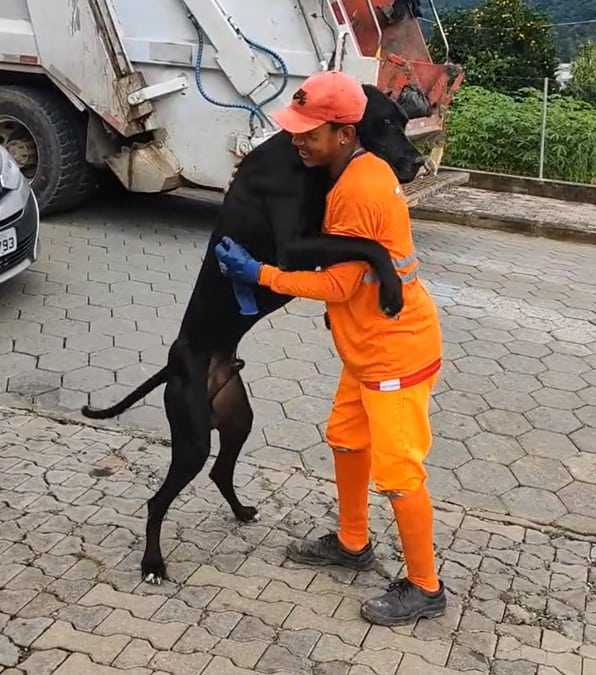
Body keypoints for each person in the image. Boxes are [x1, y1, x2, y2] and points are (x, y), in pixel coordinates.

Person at [214, 70, 446, 626]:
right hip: (365, 347)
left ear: (344, 133)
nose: (299, 142)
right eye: (296, 131)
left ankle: (425, 585)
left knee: (398, 472)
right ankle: (352, 541)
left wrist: (260, 273)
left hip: (396, 354)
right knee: (345, 438)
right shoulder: (354, 170)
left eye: (309, 134)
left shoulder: (358, 190)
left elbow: (339, 283)